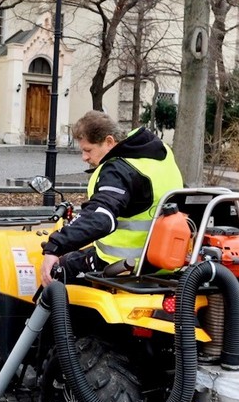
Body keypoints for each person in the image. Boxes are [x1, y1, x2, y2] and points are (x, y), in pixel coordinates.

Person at [39, 110, 183, 287]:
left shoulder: (118, 170)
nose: (84, 157)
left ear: (109, 141)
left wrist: (55, 246)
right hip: (166, 261)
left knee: (58, 269)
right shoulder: (160, 153)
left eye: (88, 150)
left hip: (124, 264)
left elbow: (101, 217)